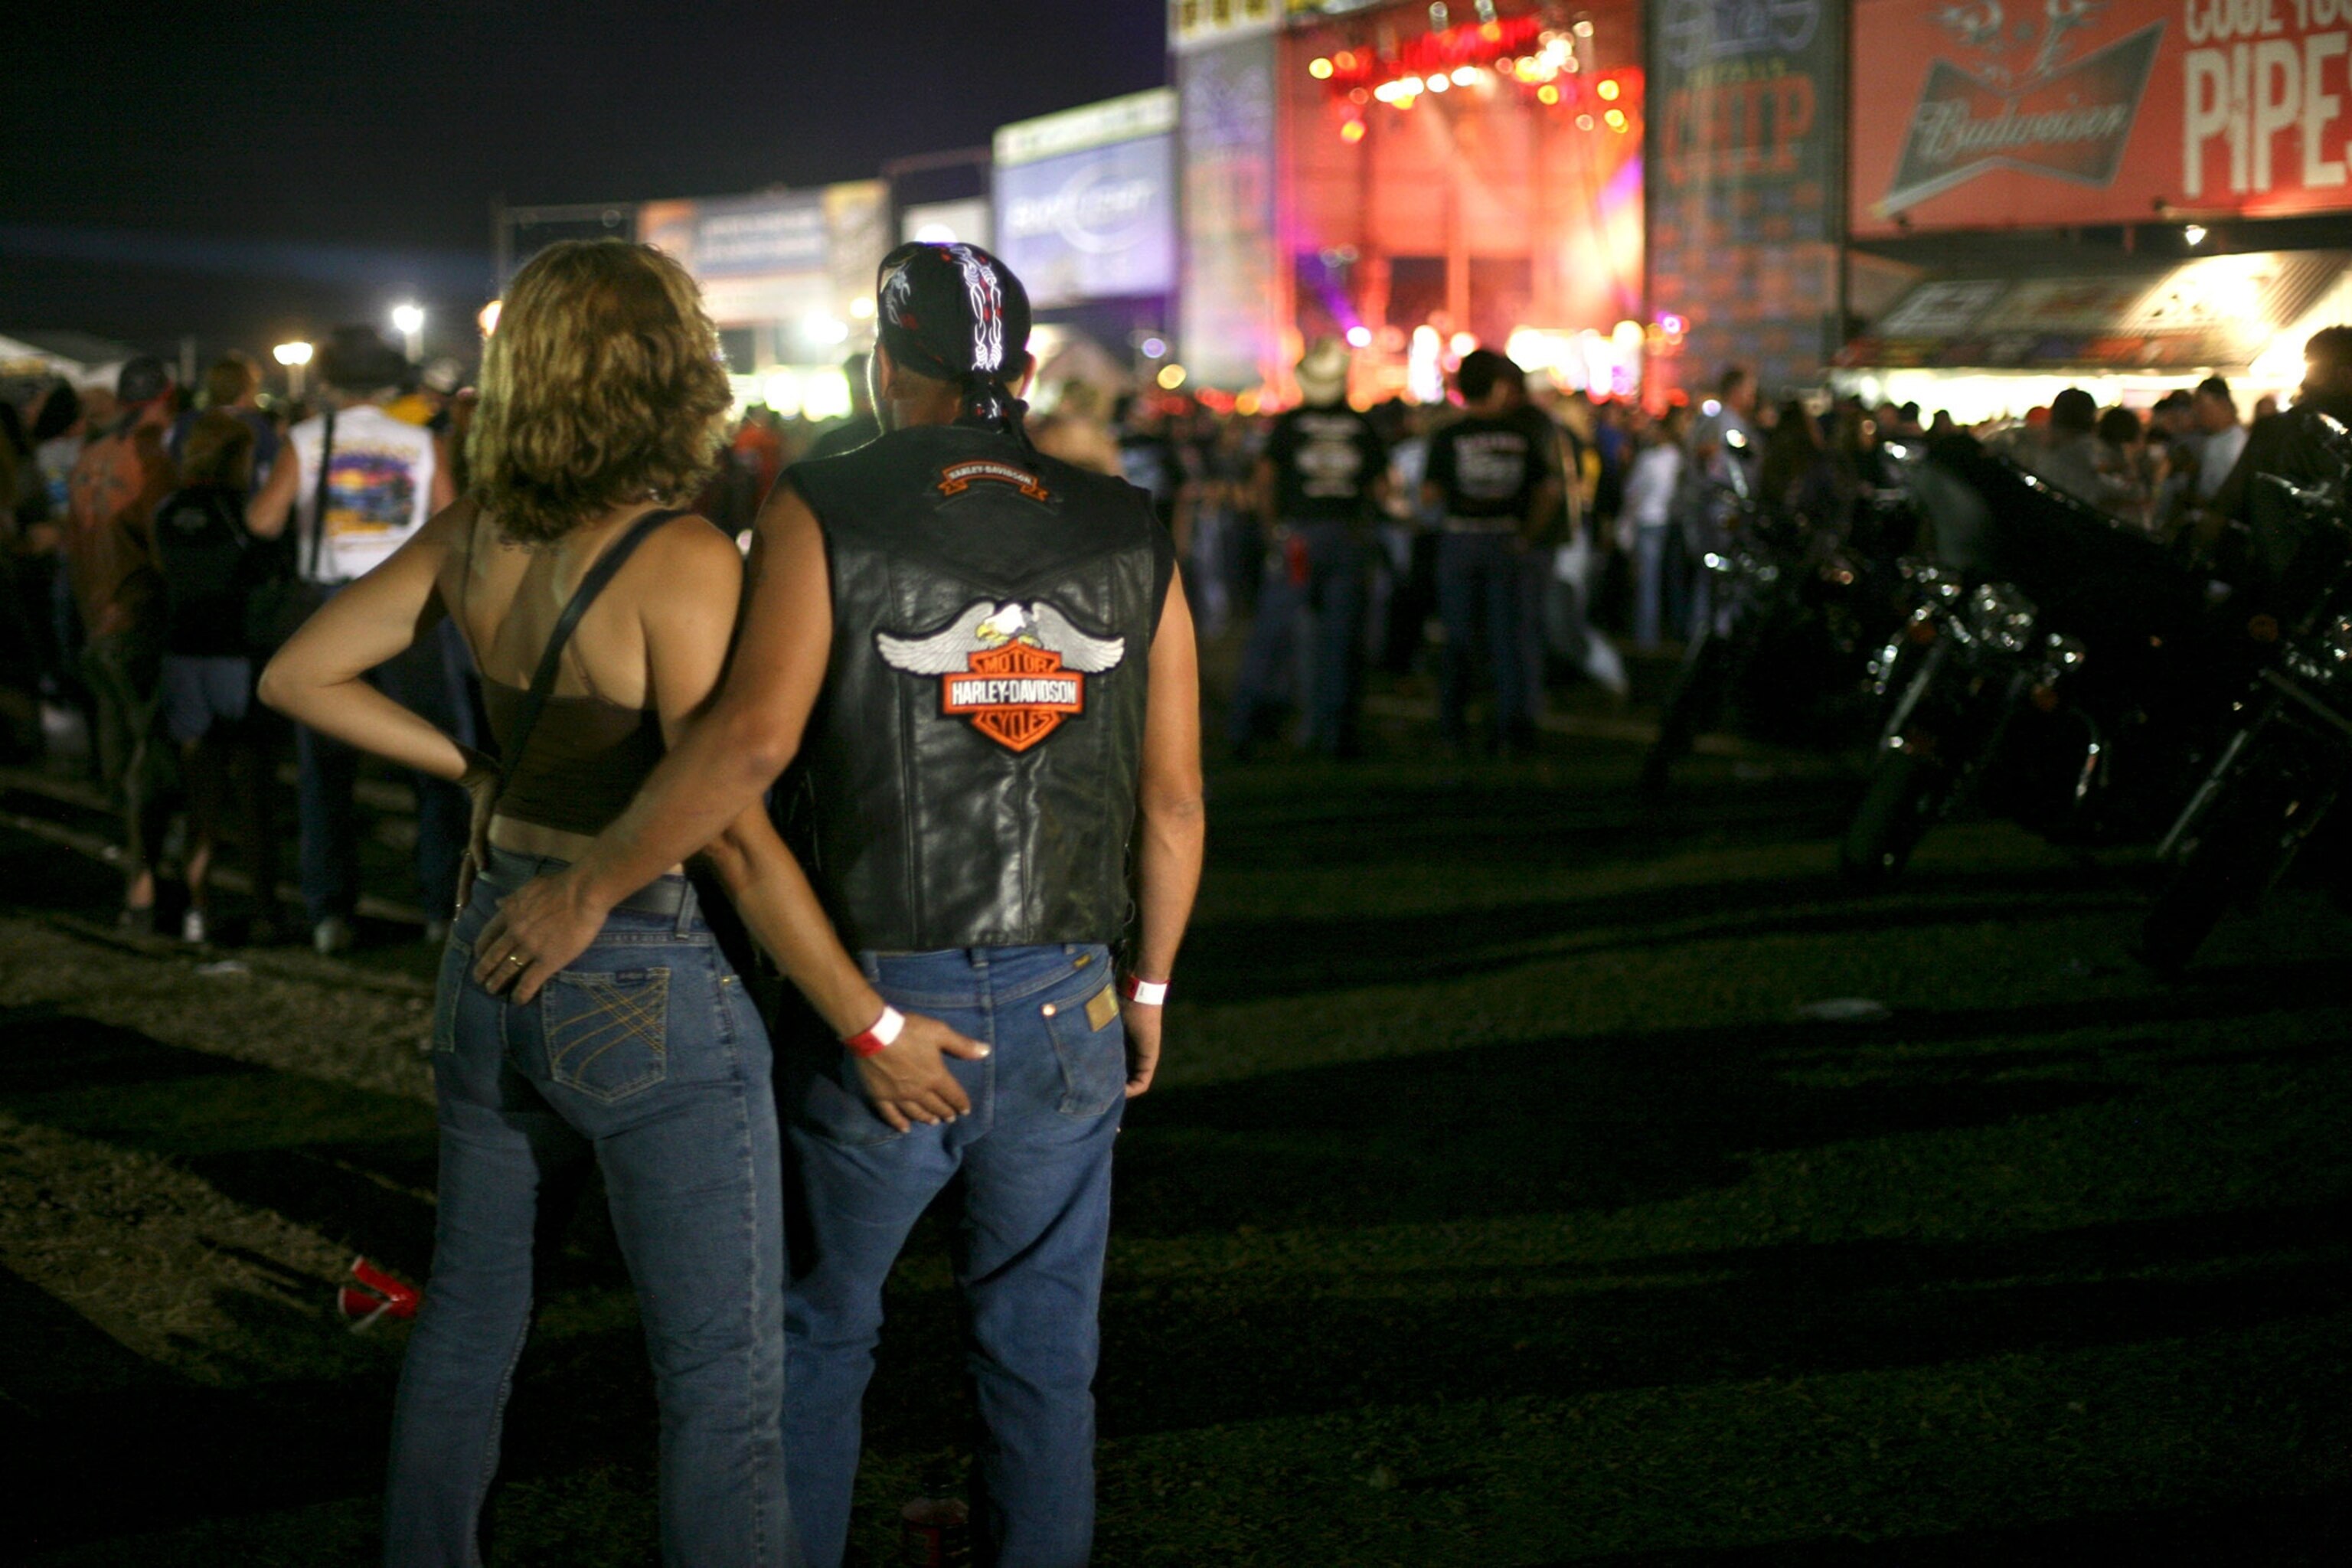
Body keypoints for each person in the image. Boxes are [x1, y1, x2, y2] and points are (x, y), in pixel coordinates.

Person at [467, 240, 1205, 1568]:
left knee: (814, 1325)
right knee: (1043, 1347)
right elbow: (1173, 801)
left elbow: (747, 745)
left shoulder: (825, 501)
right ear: (1025, 373)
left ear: (884, 367)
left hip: (880, 989)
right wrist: (1147, 988)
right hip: (1068, 992)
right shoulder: (1125, 520)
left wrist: (589, 885)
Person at [262, 239, 836, 1566]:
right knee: (717, 1379)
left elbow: (300, 676)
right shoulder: (682, 556)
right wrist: (859, 1016)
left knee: (467, 1323)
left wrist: (466, 765)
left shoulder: (475, 534)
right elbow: (730, 827)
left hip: (489, 944)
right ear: (669, 374)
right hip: (645, 961)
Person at [250, 325, 466, 954]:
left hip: (330, 607)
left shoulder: (307, 439)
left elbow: (263, 521)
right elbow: (450, 523)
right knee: (434, 762)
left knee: (325, 771)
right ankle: (440, 908)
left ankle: (330, 912)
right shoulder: (422, 441)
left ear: (330, 381)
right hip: (407, 610)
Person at [150, 412, 280, 943]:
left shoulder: (166, 510)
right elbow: (265, 575)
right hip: (235, 657)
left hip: (182, 656)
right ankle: (265, 910)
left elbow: (166, 573)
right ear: (237, 459)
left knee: (198, 794)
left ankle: (197, 910)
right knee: (253, 796)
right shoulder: (240, 514)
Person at [1227, 337, 1387, 757]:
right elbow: (1382, 486)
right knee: (1341, 635)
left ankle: (1247, 725)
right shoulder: (1363, 425)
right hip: (1348, 535)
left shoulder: (1289, 426)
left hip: (1299, 536)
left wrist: (1272, 530)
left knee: (1274, 629)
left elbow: (1264, 481)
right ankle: (1336, 732)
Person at [62, 355, 178, 930]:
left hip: (95, 625)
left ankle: (140, 882)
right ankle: (146, 888)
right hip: (137, 623)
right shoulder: (151, 461)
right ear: (168, 394)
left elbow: (74, 546)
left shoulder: (89, 460)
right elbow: (163, 552)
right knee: (148, 760)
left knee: (122, 757)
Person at [1423, 348, 1561, 755]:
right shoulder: (1521, 434)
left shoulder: (1448, 437)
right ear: (1498, 386)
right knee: (1508, 639)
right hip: (1505, 540)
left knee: (1458, 638)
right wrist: (1527, 535)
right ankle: (1509, 729)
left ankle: (1452, 729)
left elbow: (1430, 495)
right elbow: (1549, 492)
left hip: (1460, 540)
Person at [1621, 407, 1689, 649]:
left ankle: (1646, 637)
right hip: (1668, 522)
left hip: (1649, 522)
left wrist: (1625, 529)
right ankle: (1676, 631)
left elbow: (1633, 494)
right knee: (1671, 581)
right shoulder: (1678, 460)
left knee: (1647, 584)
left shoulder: (1650, 460)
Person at [167, 351, 279, 495]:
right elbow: (274, 470)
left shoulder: (187, 422)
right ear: (246, 388)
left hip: (195, 508)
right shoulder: (256, 426)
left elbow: (173, 464)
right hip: (240, 509)